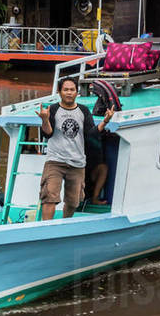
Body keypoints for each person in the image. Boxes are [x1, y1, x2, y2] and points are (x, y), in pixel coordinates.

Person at [38, 78, 113, 220]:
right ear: (59, 92)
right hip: (55, 161)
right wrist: (45, 120)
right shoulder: (53, 109)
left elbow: (91, 134)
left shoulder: (83, 110)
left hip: (77, 163)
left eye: (72, 90)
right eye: (65, 90)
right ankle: (46, 228)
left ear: (76, 92)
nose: (69, 93)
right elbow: (47, 134)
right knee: (49, 197)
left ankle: (65, 224)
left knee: (73, 202)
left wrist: (105, 121)